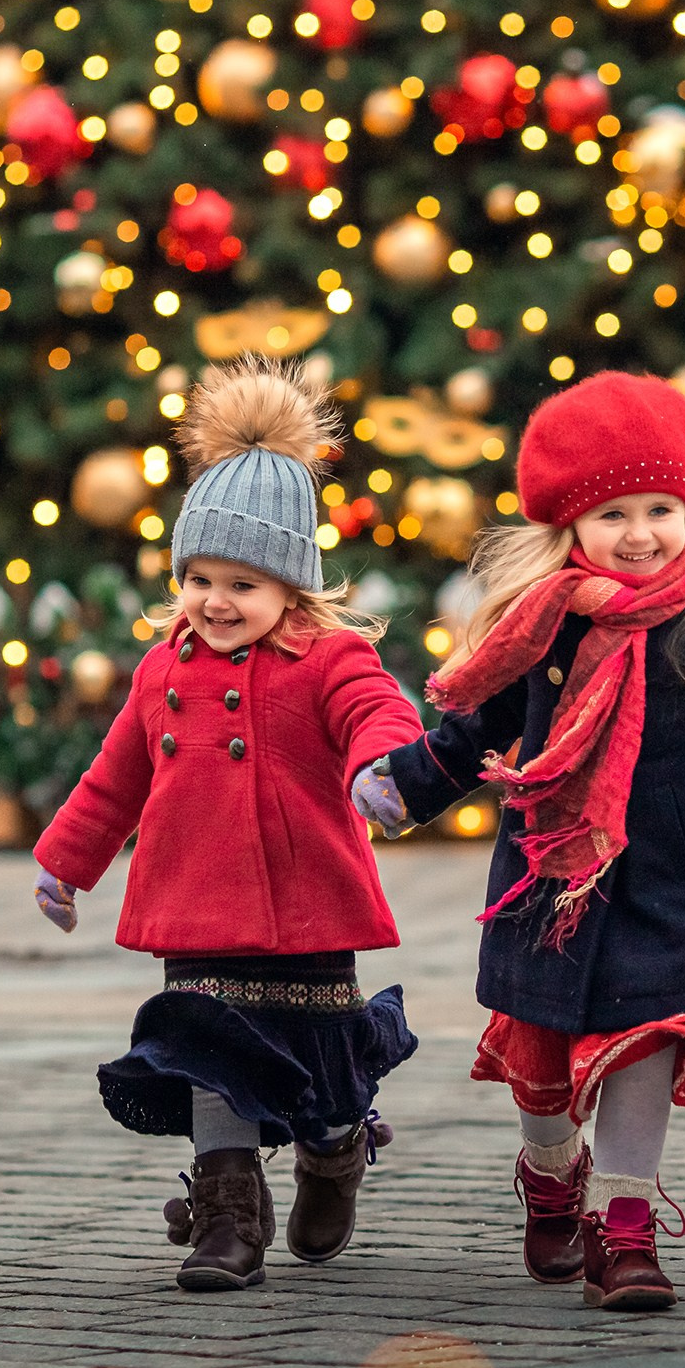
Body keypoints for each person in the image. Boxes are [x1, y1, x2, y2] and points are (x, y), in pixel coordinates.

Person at [350, 372, 685, 1312]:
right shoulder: (541, 622)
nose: (643, 532)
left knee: (648, 1044)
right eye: (614, 512)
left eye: (662, 508)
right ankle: (549, 1170)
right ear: (567, 525)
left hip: (673, 882)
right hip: (552, 882)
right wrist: (405, 787)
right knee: (542, 1066)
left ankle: (625, 1229)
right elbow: (477, 733)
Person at [34, 357, 424, 1293]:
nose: (216, 601)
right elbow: (115, 776)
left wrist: (383, 769)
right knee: (210, 1055)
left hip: (310, 905)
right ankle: (227, 1215)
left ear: (294, 585)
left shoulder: (328, 658)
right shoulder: (161, 669)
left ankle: (334, 1154)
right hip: (197, 907)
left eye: (243, 582)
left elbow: (383, 709)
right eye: (201, 576)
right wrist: (66, 864)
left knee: (320, 1071)